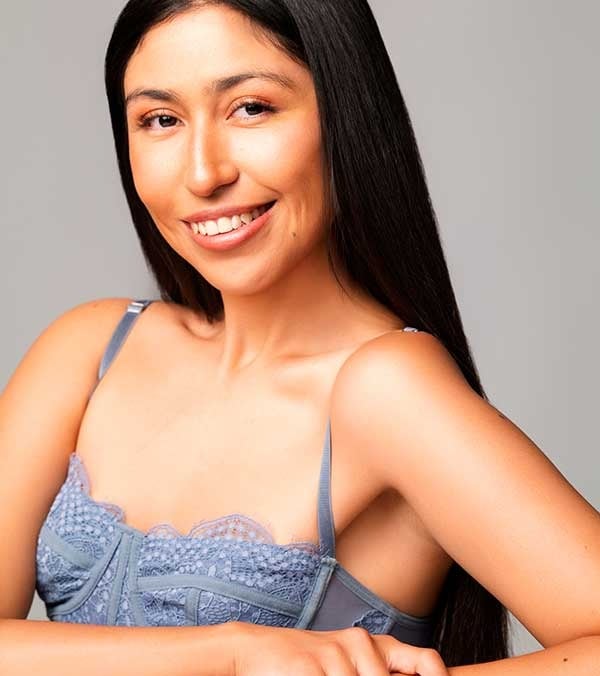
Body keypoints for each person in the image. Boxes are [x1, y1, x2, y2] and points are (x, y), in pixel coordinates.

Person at [1, 1, 599, 674]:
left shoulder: (387, 390)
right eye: (161, 119)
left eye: (251, 108)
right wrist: (234, 653)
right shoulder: (91, 351)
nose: (203, 173)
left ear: (344, 116)